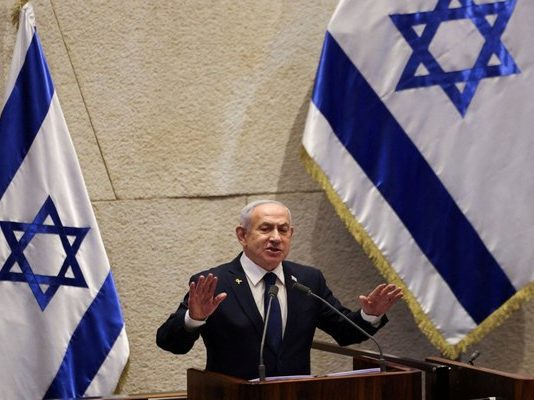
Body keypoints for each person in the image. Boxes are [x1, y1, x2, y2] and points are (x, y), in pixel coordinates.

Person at [156, 200, 402, 380]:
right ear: (242, 235)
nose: (276, 237)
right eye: (265, 229)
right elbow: (169, 342)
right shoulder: (214, 283)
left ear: (291, 235)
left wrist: (370, 314)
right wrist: (194, 318)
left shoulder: (308, 280)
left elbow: (345, 332)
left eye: (283, 230)